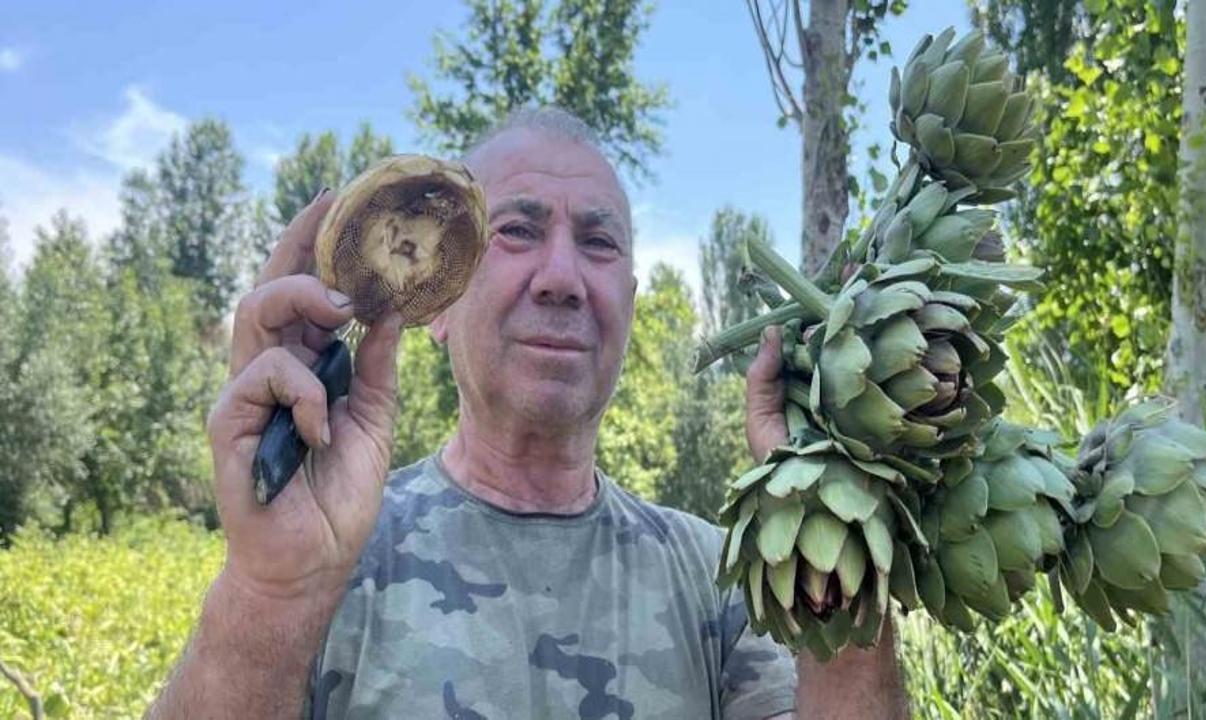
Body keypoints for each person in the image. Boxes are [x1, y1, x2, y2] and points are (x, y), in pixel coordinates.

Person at [147, 107, 907, 719]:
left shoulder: (721, 583)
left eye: (599, 242)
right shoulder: (332, 562)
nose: (562, 277)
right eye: (516, 231)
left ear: (628, 307)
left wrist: (835, 535)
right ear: (436, 302)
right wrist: (269, 595)